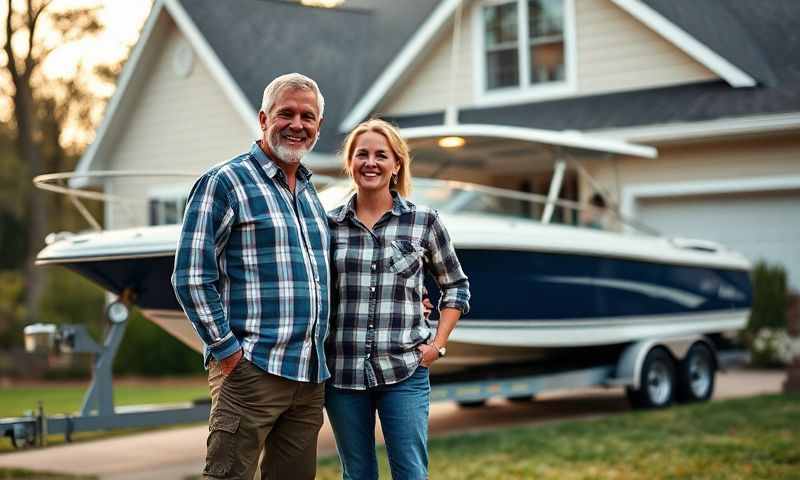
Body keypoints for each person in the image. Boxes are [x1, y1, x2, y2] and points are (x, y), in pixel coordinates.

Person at [171, 73, 330, 480]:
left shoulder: (311, 194)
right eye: (286, 114)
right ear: (263, 119)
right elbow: (190, 276)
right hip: (251, 370)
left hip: (308, 377)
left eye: (307, 116)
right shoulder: (224, 182)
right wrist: (227, 352)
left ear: (318, 126)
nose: (297, 124)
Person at [325, 119, 471, 480]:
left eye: (380, 155)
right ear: (350, 163)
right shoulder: (328, 225)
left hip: (405, 371)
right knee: (357, 474)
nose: (370, 162)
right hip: (343, 374)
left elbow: (456, 287)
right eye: (362, 154)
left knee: (410, 473)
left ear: (396, 165)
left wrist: (437, 345)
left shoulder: (424, 222)